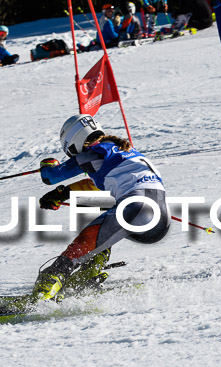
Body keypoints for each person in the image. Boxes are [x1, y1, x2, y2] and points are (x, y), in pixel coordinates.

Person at [32, 114, 170, 301]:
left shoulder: (94, 151)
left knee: (82, 244)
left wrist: (48, 165)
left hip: (136, 206)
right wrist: (63, 193)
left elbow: (50, 176)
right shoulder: (120, 151)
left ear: (74, 143)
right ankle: (86, 276)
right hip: (159, 219)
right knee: (101, 233)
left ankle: (44, 291)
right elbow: (94, 184)